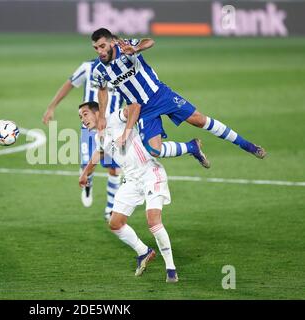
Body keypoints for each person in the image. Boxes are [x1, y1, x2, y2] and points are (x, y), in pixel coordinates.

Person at [90, 28, 266, 161]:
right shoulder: (98, 69)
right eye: (96, 48)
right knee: (154, 151)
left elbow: (149, 41)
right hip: (141, 110)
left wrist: (136, 49)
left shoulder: (125, 46)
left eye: (102, 46)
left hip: (160, 95)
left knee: (199, 120)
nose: (100, 51)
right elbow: (102, 89)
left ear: (112, 42)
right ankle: (191, 147)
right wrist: (103, 115)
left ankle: (247, 145)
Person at [79, 102, 178, 283]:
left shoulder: (115, 119)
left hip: (150, 173)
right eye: (80, 117)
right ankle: (144, 252)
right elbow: (99, 153)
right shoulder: (98, 137)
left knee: (153, 221)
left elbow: (135, 107)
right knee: (115, 223)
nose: (82, 120)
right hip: (131, 181)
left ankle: (171, 269)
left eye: (85, 114)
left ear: (97, 113)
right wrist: (85, 173)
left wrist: (126, 133)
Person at [42, 59, 124, 220]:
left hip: (113, 127)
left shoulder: (123, 70)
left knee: (114, 169)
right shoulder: (88, 67)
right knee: (87, 163)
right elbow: (69, 84)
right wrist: (52, 106)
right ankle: (88, 183)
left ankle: (110, 208)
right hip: (90, 125)